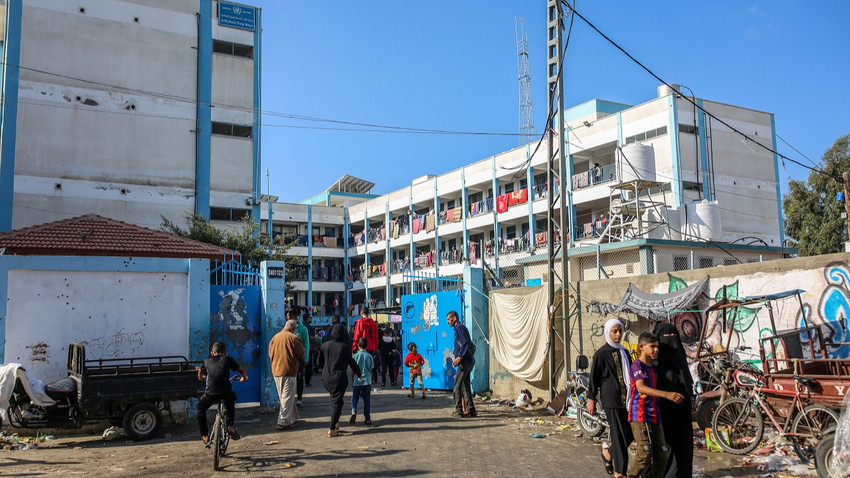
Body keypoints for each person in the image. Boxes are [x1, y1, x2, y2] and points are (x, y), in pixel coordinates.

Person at [627, 332, 684, 478]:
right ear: (641, 347)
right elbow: (641, 388)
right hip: (639, 414)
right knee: (644, 454)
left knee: (662, 456)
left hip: (654, 414)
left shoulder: (653, 367)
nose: (656, 350)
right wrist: (666, 394)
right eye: (652, 347)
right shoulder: (637, 365)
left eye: (657, 347)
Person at [588, 318, 633, 477]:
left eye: (620, 331)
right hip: (611, 399)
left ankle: (608, 452)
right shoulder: (601, 353)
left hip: (627, 399)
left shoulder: (624, 352)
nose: (618, 334)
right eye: (614, 331)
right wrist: (591, 398)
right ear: (608, 332)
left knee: (631, 433)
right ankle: (621, 471)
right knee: (619, 435)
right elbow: (594, 377)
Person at [653, 322, 695, 478]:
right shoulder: (654, 363)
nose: (671, 339)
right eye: (666, 336)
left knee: (684, 448)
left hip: (682, 412)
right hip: (664, 411)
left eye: (673, 335)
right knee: (668, 450)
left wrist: (691, 397)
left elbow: (686, 381)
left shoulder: (680, 357)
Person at [196, 342, 248, 444]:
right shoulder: (228, 359)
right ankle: (230, 427)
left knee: (200, 410)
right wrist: (244, 377)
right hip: (225, 392)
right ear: (225, 352)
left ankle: (205, 435)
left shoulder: (206, 361)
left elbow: (200, 375)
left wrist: (202, 378)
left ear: (212, 353)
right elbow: (241, 370)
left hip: (210, 393)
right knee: (230, 403)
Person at [318, 324, 361, 437]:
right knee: (337, 402)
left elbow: (319, 363)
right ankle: (332, 429)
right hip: (339, 377)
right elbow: (351, 362)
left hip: (326, 376)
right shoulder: (344, 347)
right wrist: (359, 374)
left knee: (335, 400)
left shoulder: (325, 345)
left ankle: (336, 422)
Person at [268, 317, 305, 430]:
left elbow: (270, 354)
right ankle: (282, 421)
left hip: (276, 371)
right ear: (294, 328)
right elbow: (301, 354)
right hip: (289, 371)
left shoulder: (274, 338)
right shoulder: (294, 339)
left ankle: (290, 419)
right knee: (287, 397)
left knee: (284, 397)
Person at [447, 310, 476, 417]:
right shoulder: (459, 328)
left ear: (454, 318)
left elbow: (465, 343)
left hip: (465, 362)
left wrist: (459, 357)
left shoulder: (459, 328)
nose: (448, 322)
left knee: (457, 386)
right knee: (465, 385)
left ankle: (459, 410)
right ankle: (471, 409)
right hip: (468, 361)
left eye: (449, 319)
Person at [349, 337, 374, 426]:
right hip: (367, 380)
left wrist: (352, 381)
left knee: (355, 398)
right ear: (366, 346)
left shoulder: (355, 356)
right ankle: (367, 418)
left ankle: (354, 411)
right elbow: (371, 367)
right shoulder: (369, 356)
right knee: (366, 399)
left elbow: (352, 370)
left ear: (358, 345)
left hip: (357, 380)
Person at [351, 306, 379, 379]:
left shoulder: (359, 323)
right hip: (371, 348)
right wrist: (375, 349)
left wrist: (354, 348)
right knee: (369, 366)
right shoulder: (373, 324)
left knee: (359, 365)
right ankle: (369, 380)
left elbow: (356, 336)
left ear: (361, 313)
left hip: (361, 347)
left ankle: (360, 380)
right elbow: (376, 338)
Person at [295, 311, 310, 406]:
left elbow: (306, 344)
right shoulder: (286, 328)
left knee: (299, 378)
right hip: (289, 359)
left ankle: (299, 398)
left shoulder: (302, 329)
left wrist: (306, 358)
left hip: (299, 359)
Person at [303, 313, 316, 386]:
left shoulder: (300, 326)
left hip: (299, 349)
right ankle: (307, 382)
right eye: (310, 318)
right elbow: (312, 338)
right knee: (308, 366)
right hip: (308, 348)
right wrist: (317, 344)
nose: (311, 319)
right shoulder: (310, 327)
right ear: (307, 318)